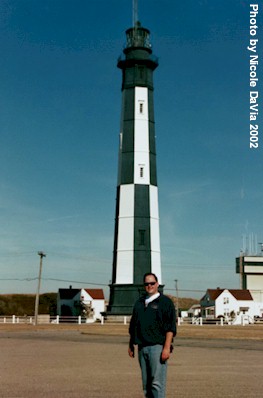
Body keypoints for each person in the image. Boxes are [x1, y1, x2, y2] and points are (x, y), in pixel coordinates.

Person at [128, 272, 176, 398]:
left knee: (156, 384)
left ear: (157, 284)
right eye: (146, 283)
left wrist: (166, 348)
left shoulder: (165, 302)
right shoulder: (139, 303)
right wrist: (131, 344)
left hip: (157, 347)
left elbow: (170, 327)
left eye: (152, 283)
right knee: (146, 385)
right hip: (142, 347)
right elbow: (134, 324)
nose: (149, 286)